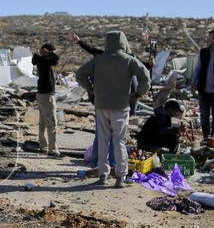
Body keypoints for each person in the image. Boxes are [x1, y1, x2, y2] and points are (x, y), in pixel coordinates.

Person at [76, 31, 150, 187]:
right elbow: (145, 76)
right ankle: (120, 177)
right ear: (123, 42)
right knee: (119, 142)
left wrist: (91, 89)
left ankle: (103, 175)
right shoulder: (129, 60)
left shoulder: (98, 60)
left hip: (101, 106)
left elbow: (80, 74)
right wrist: (138, 94)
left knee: (103, 140)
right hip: (121, 107)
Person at [32, 43, 61, 157]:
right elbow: (56, 58)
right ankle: (52, 149)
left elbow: (55, 61)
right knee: (51, 123)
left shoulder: (40, 60)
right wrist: (48, 53)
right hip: (47, 96)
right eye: (50, 52)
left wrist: (45, 53)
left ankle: (43, 146)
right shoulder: (44, 60)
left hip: (41, 95)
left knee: (43, 122)